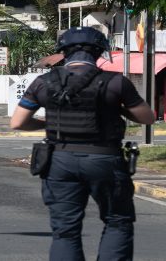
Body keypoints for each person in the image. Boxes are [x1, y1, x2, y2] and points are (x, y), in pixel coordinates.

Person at [10, 27, 155, 261]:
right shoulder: (116, 83)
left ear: (63, 53)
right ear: (99, 52)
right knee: (117, 222)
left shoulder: (43, 82)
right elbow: (147, 117)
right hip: (106, 160)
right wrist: (116, 108)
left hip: (59, 160)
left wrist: (48, 125)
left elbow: (17, 122)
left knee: (65, 232)